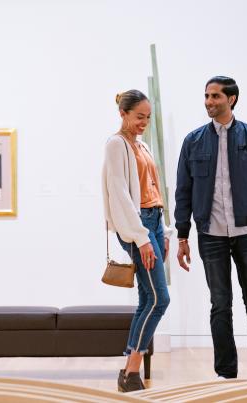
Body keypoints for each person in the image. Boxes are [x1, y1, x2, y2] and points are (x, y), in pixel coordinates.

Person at [174, 76, 247, 379]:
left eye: (215, 96)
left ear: (231, 99)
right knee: (220, 306)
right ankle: (226, 374)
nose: (209, 102)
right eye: (206, 96)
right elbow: (183, 191)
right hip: (211, 236)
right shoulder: (193, 141)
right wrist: (183, 235)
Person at [102, 89, 172, 392]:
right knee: (160, 299)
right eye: (139, 116)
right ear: (123, 113)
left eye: (148, 117)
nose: (144, 122)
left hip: (153, 221)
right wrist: (142, 239)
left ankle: (128, 374)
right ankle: (131, 369)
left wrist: (164, 231)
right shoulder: (116, 144)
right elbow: (119, 193)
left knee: (148, 299)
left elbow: (153, 188)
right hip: (137, 226)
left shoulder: (141, 145)